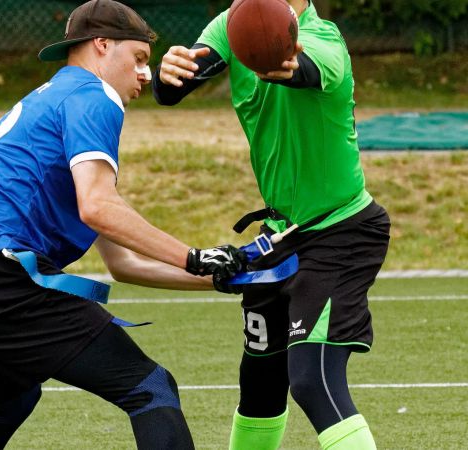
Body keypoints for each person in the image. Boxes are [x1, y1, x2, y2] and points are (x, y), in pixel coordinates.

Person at [0, 1, 245, 449]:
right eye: (139, 59)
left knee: (14, 397)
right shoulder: (94, 98)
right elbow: (98, 208)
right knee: (151, 388)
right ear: (102, 45)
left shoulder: (53, 97)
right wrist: (195, 256)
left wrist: (225, 280)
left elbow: (124, 264)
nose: (146, 75)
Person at [152, 1, 391, 449]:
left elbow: (306, 67)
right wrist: (171, 73)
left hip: (343, 231)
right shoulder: (233, 23)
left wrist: (284, 60)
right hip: (281, 237)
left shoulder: (325, 41)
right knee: (259, 385)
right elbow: (177, 86)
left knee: (312, 381)